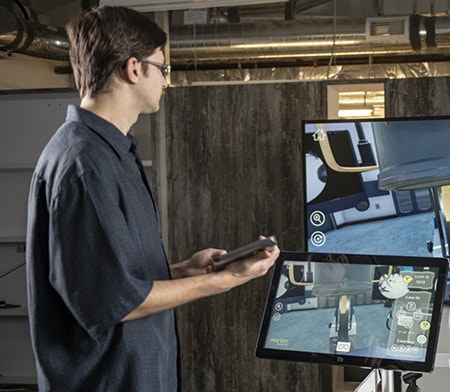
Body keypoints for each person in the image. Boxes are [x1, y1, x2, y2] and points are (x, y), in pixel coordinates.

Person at [25, 6, 279, 391]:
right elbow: (116, 302)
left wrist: (184, 271)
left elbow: (104, 278)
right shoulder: (84, 165)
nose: (165, 82)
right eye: (163, 69)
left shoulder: (111, 153)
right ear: (133, 69)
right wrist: (225, 280)